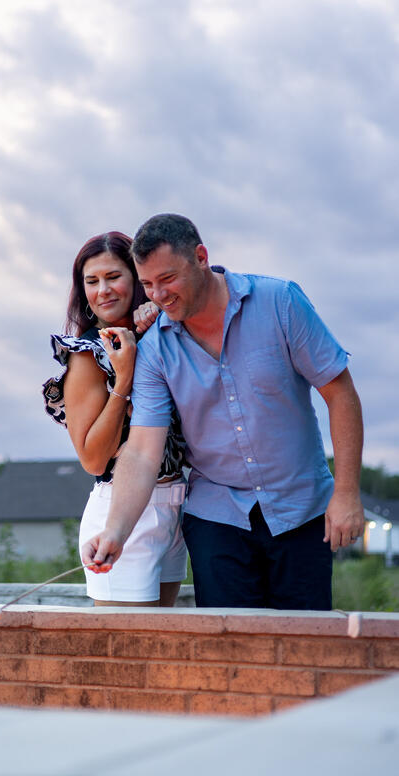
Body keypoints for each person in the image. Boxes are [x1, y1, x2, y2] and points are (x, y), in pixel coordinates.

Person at [82, 214, 364, 610]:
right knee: (228, 655)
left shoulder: (281, 303)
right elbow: (143, 452)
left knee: (304, 648)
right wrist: (116, 530)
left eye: (168, 279)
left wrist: (347, 492)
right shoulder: (155, 351)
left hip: (301, 510)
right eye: (147, 284)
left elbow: (341, 395)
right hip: (217, 517)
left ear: (200, 257)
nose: (158, 296)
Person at [43, 231, 188, 606]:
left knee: (162, 646)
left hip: (175, 508)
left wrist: (157, 322)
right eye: (92, 281)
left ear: (136, 280)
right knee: (128, 650)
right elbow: (93, 458)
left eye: (113, 277)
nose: (103, 290)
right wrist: (123, 380)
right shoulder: (87, 354)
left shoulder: (161, 334)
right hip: (122, 514)